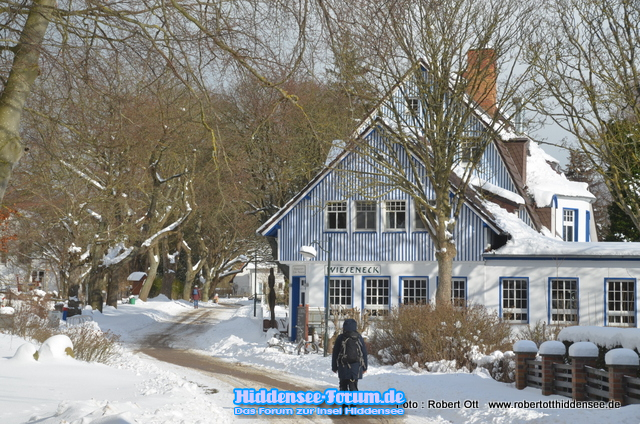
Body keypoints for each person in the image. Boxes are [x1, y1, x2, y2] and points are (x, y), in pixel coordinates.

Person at [331, 318, 368, 393]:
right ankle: (354, 400)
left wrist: (334, 367)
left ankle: (344, 400)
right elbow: (364, 352)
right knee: (353, 386)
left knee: (343, 387)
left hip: (343, 366)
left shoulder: (340, 337)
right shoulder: (358, 337)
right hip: (355, 366)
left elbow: (335, 353)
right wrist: (364, 367)